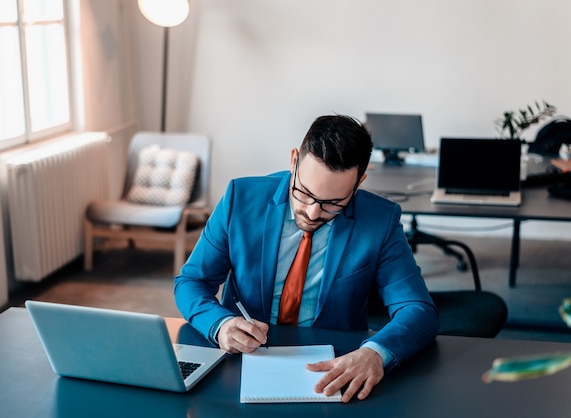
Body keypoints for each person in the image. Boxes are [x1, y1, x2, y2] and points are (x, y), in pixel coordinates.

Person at [174, 114, 439, 402]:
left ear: (359, 181)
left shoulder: (380, 221)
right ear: (293, 161)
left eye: (333, 203)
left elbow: (417, 309)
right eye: (304, 193)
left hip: (334, 366)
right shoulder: (241, 198)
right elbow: (191, 281)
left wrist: (374, 353)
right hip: (242, 359)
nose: (313, 213)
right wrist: (220, 324)